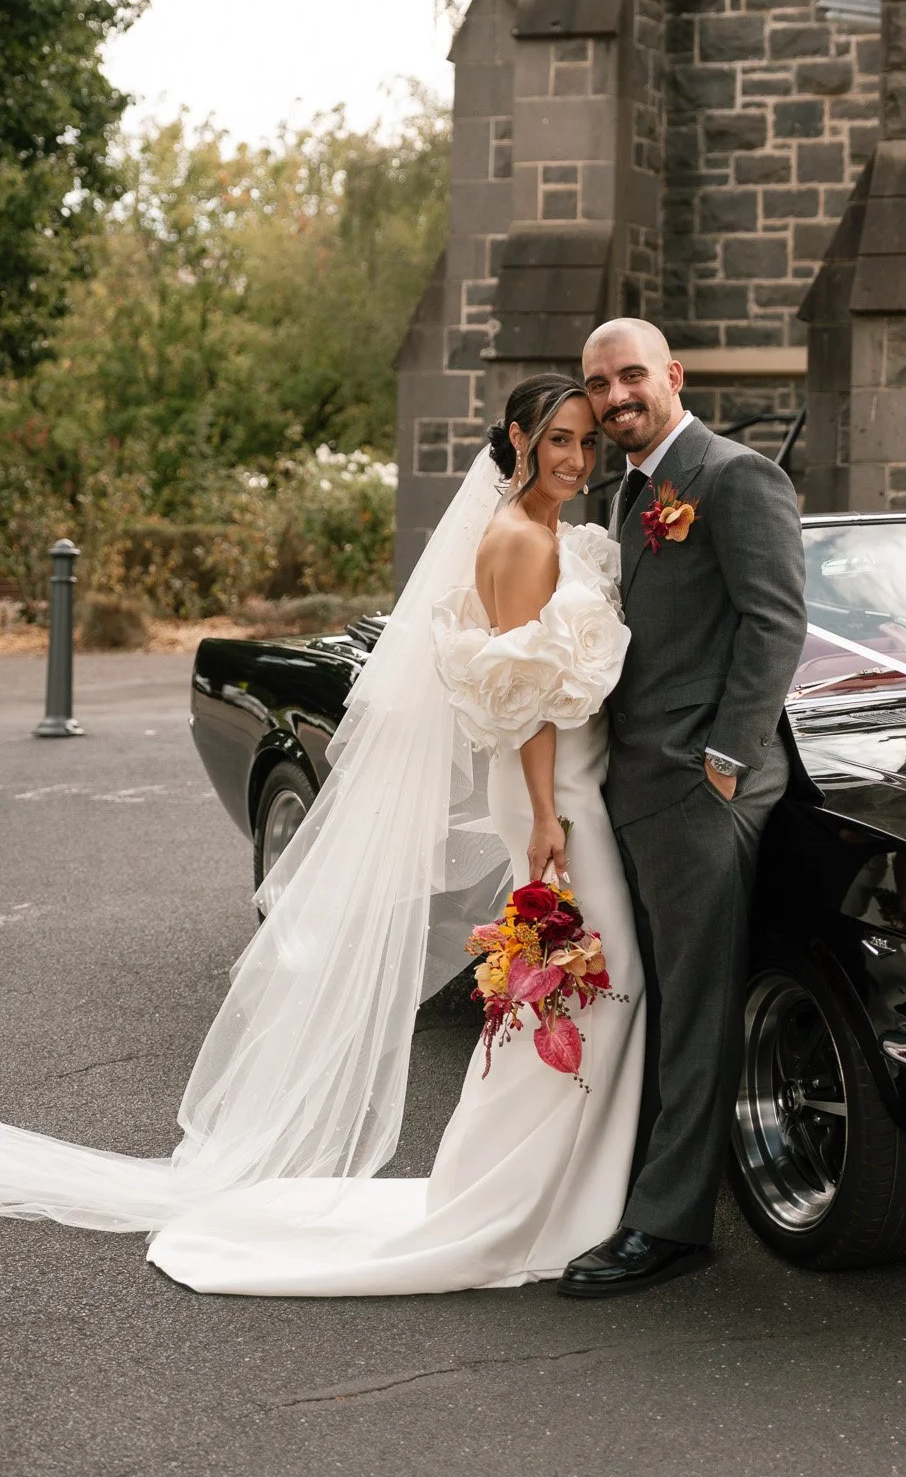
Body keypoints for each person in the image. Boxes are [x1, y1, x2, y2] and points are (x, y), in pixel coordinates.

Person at [0, 375, 646, 1294]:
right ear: (517, 439)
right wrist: (546, 819)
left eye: (586, 443)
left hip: (568, 784)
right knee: (585, 982)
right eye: (559, 442)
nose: (576, 460)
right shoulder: (517, 539)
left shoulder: (542, 532)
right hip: (556, 795)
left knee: (570, 988)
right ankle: (525, 1195)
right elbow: (529, 700)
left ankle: (544, 1181)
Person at [559, 320, 807, 1299]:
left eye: (631, 376)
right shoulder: (625, 491)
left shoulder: (734, 476)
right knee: (644, 996)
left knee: (695, 1008)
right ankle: (635, 1183)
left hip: (702, 792)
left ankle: (670, 1225)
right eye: (598, 383)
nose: (615, 396)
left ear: (673, 375)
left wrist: (724, 762)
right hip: (629, 783)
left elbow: (776, 621)